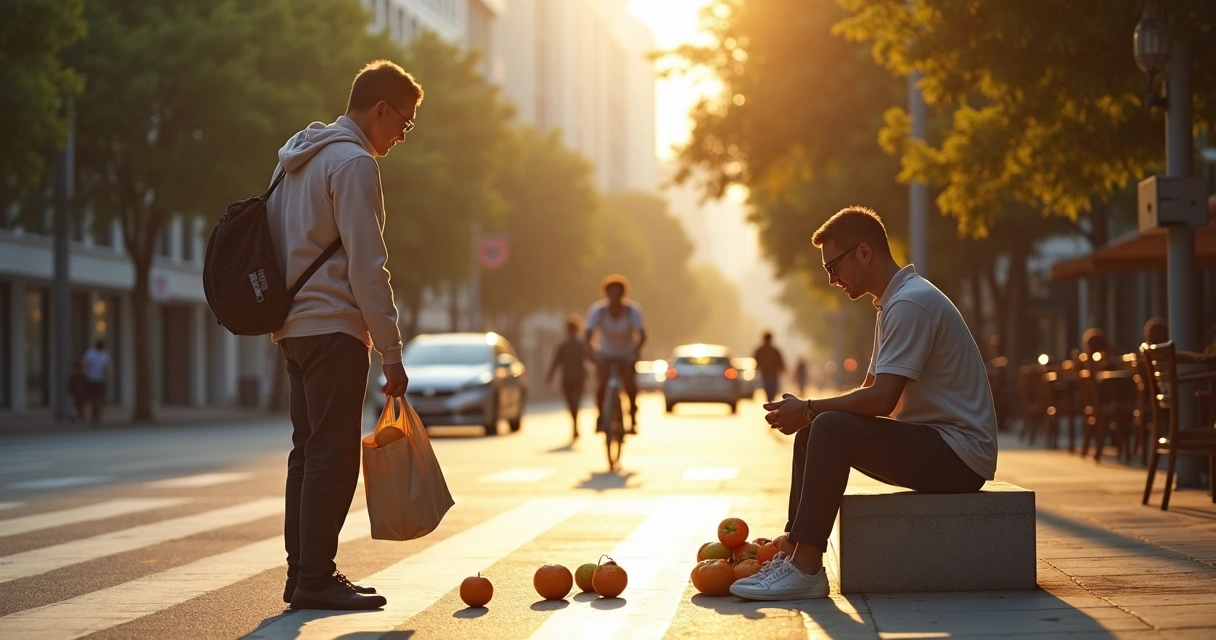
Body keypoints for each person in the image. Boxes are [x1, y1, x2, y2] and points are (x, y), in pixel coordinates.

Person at [730, 207, 995, 601]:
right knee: (817, 429)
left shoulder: (910, 304)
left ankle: (806, 568)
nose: (831, 279)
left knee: (828, 427)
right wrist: (809, 412)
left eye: (834, 266)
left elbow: (882, 401)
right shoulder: (894, 303)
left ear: (864, 253)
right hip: (934, 442)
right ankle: (792, 550)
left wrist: (809, 407)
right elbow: (869, 388)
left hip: (958, 454)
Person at [267, 60, 420, 611]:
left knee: (306, 454)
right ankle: (315, 576)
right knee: (332, 458)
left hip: (293, 330)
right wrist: (392, 352)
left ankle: (302, 573)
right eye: (402, 123)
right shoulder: (353, 164)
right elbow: (367, 267)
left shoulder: (292, 163)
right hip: (333, 329)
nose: (401, 137)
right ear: (379, 108)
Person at [585, 275, 647, 435]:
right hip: (605, 354)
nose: (614, 297)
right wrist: (591, 351)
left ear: (623, 294)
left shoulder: (632, 311)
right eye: (611, 293)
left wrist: (635, 350)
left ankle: (632, 415)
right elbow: (588, 333)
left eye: (617, 293)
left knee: (630, 384)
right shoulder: (598, 311)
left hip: (626, 354)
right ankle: (600, 417)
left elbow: (642, 334)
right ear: (606, 294)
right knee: (602, 385)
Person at [547, 315, 590, 441]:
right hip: (572, 379)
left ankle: (575, 427)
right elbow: (556, 362)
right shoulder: (565, 345)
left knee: (573, 404)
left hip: (574, 379)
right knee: (573, 404)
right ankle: (575, 426)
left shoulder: (577, 344)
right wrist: (550, 376)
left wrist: (550, 377)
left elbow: (555, 363)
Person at [80, 340, 111, 424]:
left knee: (97, 398)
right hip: (93, 379)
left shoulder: (93, 354)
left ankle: (96, 416)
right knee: (94, 398)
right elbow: (85, 365)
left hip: (96, 379)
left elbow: (105, 368)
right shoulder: (96, 354)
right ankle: (94, 415)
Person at [753, 331, 787, 403]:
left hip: (771, 374)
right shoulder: (770, 350)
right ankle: (770, 401)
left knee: (771, 390)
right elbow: (756, 360)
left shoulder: (763, 350)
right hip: (768, 374)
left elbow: (756, 360)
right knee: (770, 390)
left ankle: (770, 402)